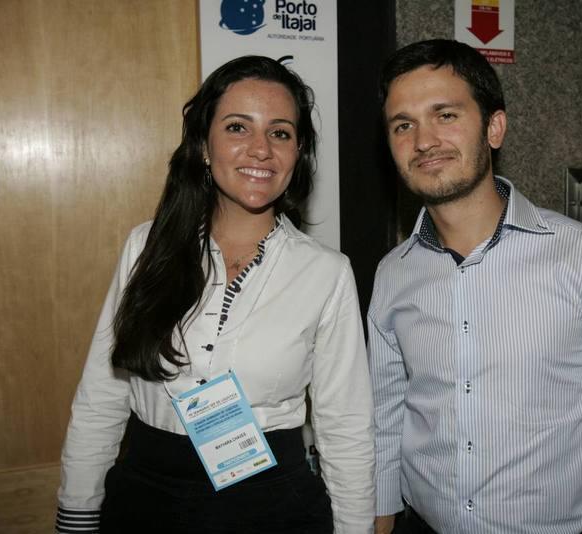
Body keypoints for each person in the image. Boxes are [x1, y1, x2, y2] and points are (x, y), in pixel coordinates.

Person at [368, 39, 582, 534]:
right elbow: (386, 418)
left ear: (494, 128)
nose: (424, 141)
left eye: (445, 115)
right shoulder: (393, 273)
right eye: (403, 125)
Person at [56, 55, 374, 534]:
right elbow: (102, 395)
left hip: (273, 504)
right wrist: (76, 515)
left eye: (280, 133)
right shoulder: (146, 246)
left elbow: (344, 425)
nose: (261, 150)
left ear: (298, 152)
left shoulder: (326, 272)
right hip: (145, 494)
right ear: (204, 146)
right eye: (237, 128)